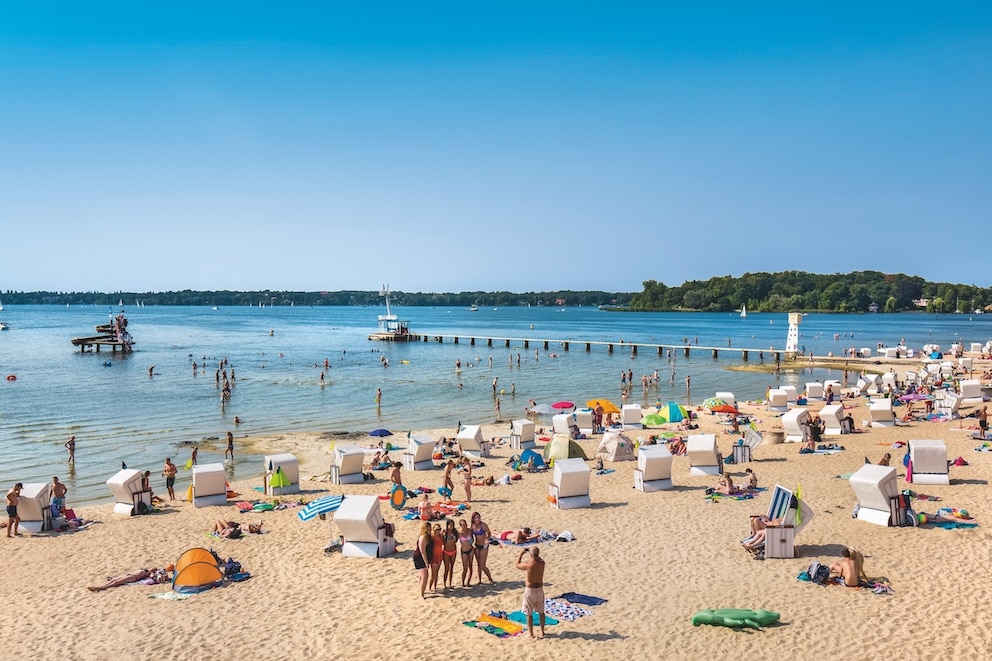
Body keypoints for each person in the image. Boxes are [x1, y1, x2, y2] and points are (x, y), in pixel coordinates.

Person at [515, 547, 547, 637]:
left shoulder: (528, 565)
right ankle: (542, 631)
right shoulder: (542, 563)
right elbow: (539, 559)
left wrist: (521, 553)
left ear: (530, 555)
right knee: (541, 612)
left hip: (530, 591)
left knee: (529, 614)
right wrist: (534, 553)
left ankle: (531, 633)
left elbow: (517, 564)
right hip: (540, 590)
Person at [470, 511, 494, 584]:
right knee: (478, 564)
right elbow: (471, 535)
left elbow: (489, 533)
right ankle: (479, 580)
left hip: (484, 546)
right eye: (476, 517)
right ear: (473, 519)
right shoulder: (472, 526)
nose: (477, 519)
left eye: (478, 517)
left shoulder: (483, 525)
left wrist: (487, 539)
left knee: (482, 564)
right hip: (477, 545)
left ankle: (490, 579)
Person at [414, 521, 430, 599]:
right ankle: (421, 595)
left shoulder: (426, 536)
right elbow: (422, 551)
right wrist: (426, 562)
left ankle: (420, 590)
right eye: (428, 529)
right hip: (420, 557)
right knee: (424, 576)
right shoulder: (423, 537)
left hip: (421, 556)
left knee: (421, 576)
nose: (429, 531)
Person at [457, 517, 475, 587]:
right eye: (463, 525)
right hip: (464, 551)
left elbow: (473, 539)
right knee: (465, 568)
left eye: (466, 524)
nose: (465, 526)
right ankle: (463, 582)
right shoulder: (459, 533)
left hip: (470, 550)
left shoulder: (470, 531)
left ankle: (468, 582)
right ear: (460, 525)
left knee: (471, 566)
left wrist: (470, 541)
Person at [442, 519, 458, 590]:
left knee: (452, 568)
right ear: (447, 525)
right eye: (450, 525)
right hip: (446, 551)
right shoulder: (444, 532)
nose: (451, 527)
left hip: (453, 551)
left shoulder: (455, 532)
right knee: (446, 568)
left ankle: (450, 583)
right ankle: (444, 584)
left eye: (452, 525)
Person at [429, 524, 444, 592]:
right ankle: (429, 587)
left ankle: (435, 587)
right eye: (437, 529)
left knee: (437, 573)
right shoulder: (432, 537)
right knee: (433, 574)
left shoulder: (441, 536)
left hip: (440, 555)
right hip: (434, 556)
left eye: (439, 529)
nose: (438, 531)